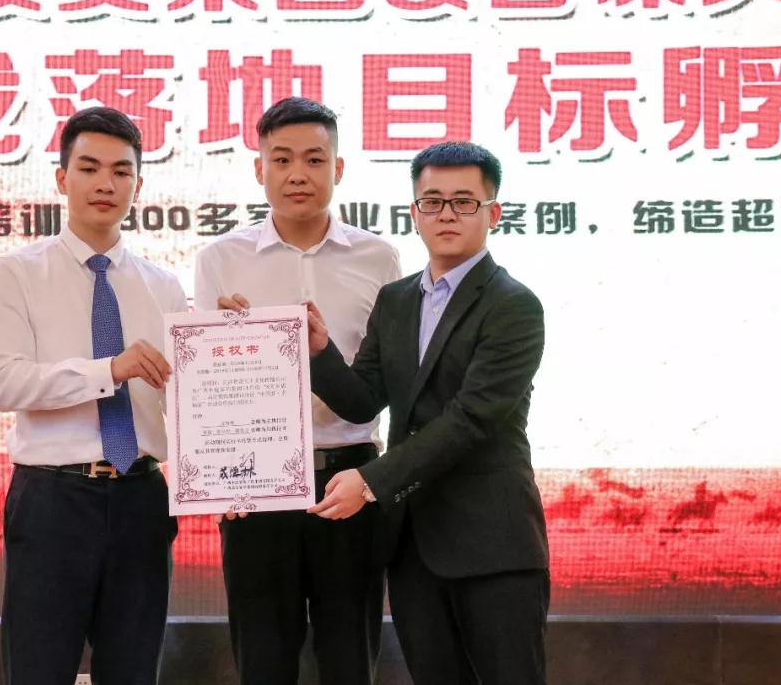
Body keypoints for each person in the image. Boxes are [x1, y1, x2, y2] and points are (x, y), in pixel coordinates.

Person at [305, 141, 550, 684]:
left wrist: (372, 479)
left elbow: (471, 419)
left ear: (494, 213)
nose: (447, 214)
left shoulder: (513, 305)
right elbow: (363, 400)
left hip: (493, 544)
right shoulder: (395, 299)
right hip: (413, 545)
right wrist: (321, 353)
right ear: (414, 213)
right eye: (432, 201)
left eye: (464, 202)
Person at [194, 97, 401, 685]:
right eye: (281, 159)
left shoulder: (379, 257)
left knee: (349, 660)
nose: (297, 174)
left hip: (349, 483)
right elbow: (204, 388)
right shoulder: (220, 259)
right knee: (263, 660)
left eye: (314, 159)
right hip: (254, 487)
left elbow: (384, 380)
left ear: (339, 168)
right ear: (259, 168)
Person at [0, 107, 185, 684]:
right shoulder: (17, 273)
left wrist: (232, 343)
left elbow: (188, 400)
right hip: (53, 500)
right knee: (39, 669)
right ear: (61, 177)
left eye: (121, 171)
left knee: (133, 671)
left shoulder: (163, 286)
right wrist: (108, 370)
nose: (105, 184)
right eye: (89, 168)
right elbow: (4, 383)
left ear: (138, 185)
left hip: (142, 497)